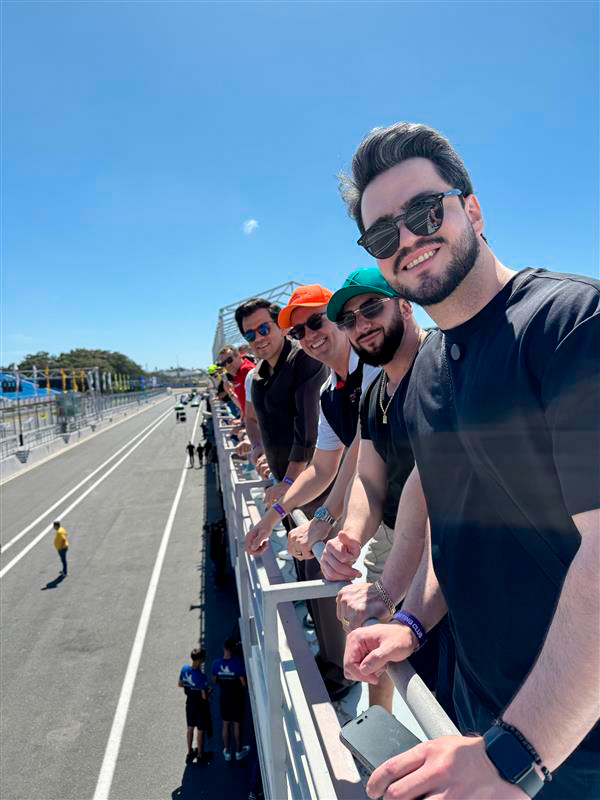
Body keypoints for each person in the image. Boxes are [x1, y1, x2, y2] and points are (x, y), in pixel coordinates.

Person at [339, 121, 599, 799]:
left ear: (472, 209)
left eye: (426, 210)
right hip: (480, 719)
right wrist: (410, 623)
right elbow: (462, 533)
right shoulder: (428, 371)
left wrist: (517, 754)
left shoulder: (570, 325)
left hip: (570, 744)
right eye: (382, 234)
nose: (409, 239)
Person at [314, 267, 453, 719]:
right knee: (391, 648)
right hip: (400, 533)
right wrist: (350, 534)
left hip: (450, 545)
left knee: (441, 674)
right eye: (349, 319)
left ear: (405, 305)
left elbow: (439, 489)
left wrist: (388, 587)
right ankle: (380, 726)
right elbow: (369, 479)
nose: (362, 323)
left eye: (371, 306)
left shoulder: (442, 366)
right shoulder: (376, 389)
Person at [211, 637, 251, 762]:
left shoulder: (216, 664)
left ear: (224, 649)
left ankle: (227, 751)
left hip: (224, 697)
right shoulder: (237, 663)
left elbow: (214, 680)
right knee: (237, 724)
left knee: (225, 723)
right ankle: (239, 751)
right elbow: (243, 683)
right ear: (234, 649)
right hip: (237, 697)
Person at [178, 647, 213, 765]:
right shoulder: (201, 677)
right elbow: (204, 696)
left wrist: (191, 687)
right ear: (200, 660)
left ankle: (189, 751)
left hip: (189, 703)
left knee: (190, 727)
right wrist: (209, 691)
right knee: (200, 730)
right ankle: (200, 754)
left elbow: (180, 684)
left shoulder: (184, 669)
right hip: (200, 705)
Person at [216, 345, 255, 417]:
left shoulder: (246, 370)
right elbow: (244, 405)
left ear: (238, 356)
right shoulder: (238, 373)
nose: (227, 366)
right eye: (223, 364)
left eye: (229, 360)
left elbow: (256, 406)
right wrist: (230, 392)